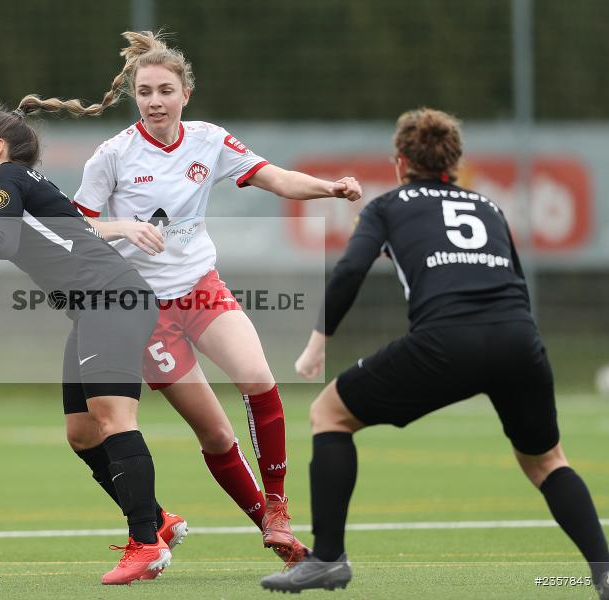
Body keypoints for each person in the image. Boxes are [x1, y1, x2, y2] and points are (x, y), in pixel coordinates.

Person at [260, 108, 609, 597]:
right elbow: (517, 285)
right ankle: (604, 570)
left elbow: (347, 272)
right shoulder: (489, 207)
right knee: (548, 460)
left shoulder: (388, 205)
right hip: (518, 338)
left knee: (330, 413)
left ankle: (327, 560)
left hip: (447, 341)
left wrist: (317, 344)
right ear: (455, 161)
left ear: (400, 162)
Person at [69, 30, 361, 560]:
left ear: (185, 94)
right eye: (144, 92)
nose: (154, 101)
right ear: (135, 97)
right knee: (217, 435)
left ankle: (278, 509)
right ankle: (274, 534)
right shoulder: (111, 155)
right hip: (144, 313)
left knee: (259, 377)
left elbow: (273, 177)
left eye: (164, 90)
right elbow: (76, 228)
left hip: (202, 290)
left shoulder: (209, 139)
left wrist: (330, 188)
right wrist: (122, 228)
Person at [0, 101, 178, 585]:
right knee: (83, 432)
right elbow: (79, 234)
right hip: (100, 306)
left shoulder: (0, 178)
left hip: (110, 300)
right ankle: (157, 520)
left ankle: (145, 544)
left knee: (113, 419)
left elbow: (2, 244)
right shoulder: (32, 184)